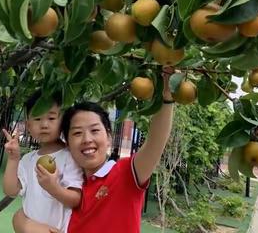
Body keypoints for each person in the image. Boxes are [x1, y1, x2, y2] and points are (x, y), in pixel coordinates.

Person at [60, 69, 175, 232]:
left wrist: (167, 96)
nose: (87, 139)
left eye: (94, 131)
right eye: (77, 133)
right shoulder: (67, 189)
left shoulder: (125, 173)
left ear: (109, 137)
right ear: (67, 144)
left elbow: (156, 141)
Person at [2, 91, 83, 233]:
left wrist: (53, 187)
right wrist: (13, 159)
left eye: (51, 118)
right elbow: (10, 190)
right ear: (28, 126)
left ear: (63, 121)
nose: (44, 124)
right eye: (38, 119)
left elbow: (76, 199)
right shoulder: (28, 160)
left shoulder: (70, 157)